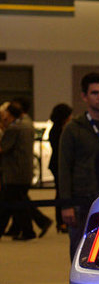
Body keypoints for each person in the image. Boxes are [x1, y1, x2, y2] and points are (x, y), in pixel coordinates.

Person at [59, 71, 99, 258]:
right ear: (84, 96)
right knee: (80, 253)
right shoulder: (73, 128)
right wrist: (66, 204)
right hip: (82, 200)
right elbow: (64, 167)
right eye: (95, 93)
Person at [0, 101, 52, 240]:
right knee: (19, 200)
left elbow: (4, 148)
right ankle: (36, 224)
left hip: (14, 172)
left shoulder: (14, 128)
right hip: (24, 170)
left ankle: (30, 229)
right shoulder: (27, 124)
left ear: (9, 114)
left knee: (14, 202)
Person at [48, 102, 73, 232]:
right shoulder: (59, 130)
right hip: (58, 164)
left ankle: (61, 222)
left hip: (56, 163)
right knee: (60, 192)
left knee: (59, 191)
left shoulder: (57, 128)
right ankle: (60, 222)